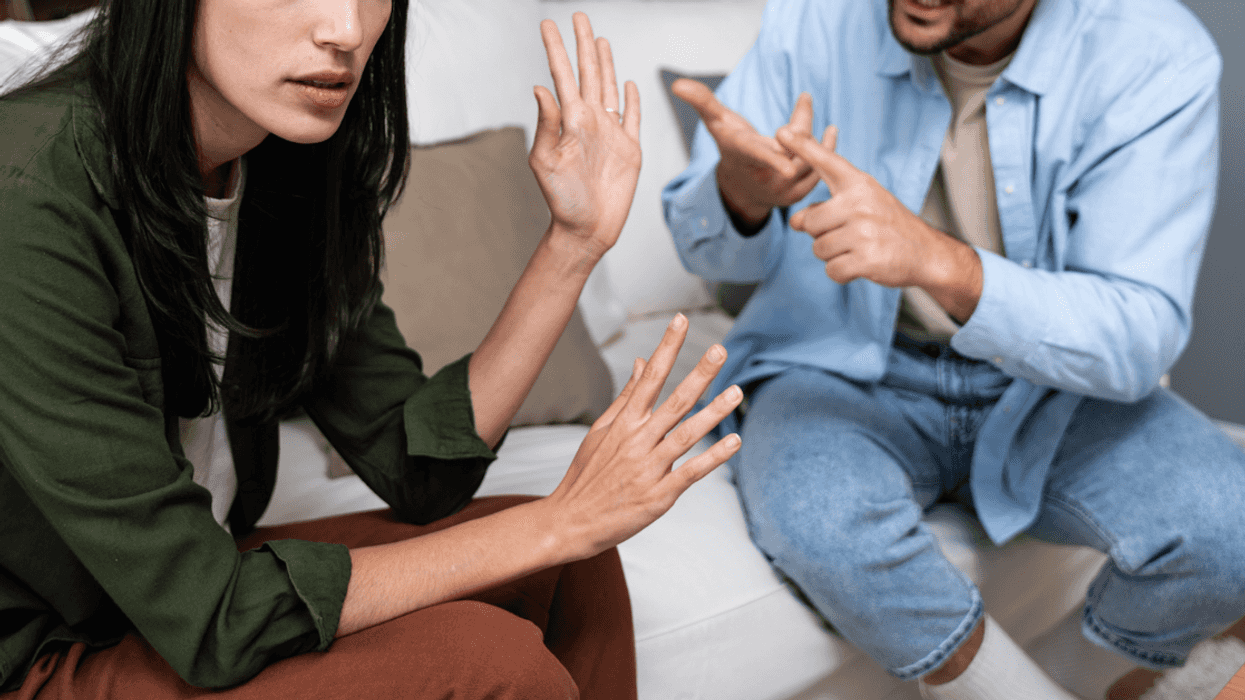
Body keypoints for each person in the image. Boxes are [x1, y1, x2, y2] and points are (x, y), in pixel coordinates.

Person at [0, 1, 746, 698]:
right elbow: (209, 615)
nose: (346, 30)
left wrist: (574, 245)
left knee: (568, 566)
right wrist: (560, 518)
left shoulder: (285, 162)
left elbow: (414, 467)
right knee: (493, 658)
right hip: (51, 645)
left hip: (192, 585)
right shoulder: (27, 190)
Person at [662, 0, 1245, 698]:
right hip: (839, 367)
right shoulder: (814, 17)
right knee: (822, 521)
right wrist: (739, 195)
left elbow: (1134, 339)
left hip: (1049, 385)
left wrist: (938, 262)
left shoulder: (1153, 53)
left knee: (1228, 530)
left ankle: (1063, 683)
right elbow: (706, 247)